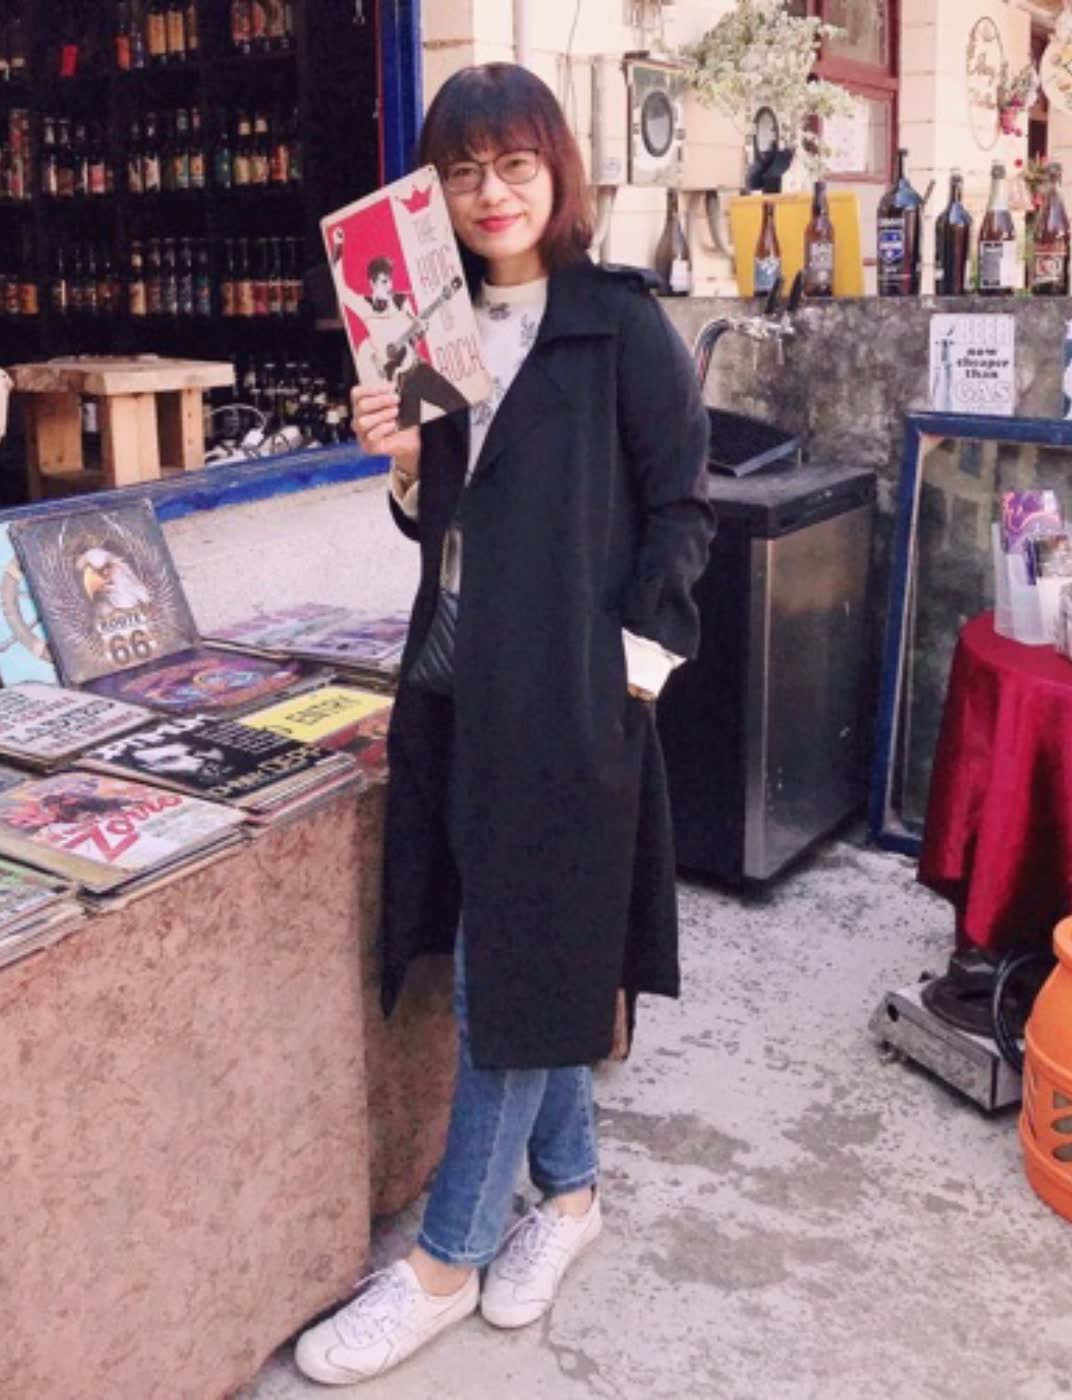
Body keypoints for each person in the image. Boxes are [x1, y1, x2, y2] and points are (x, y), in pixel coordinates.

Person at [294, 63, 713, 1387]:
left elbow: (682, 509)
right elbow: (445, 526)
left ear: (556, 170)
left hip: (571, 699)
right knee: (533, 948)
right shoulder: (429, 327)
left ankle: (446, 1258)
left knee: (501, 975)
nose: (491, 193)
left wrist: (632, 671)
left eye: (515, 164)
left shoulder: (616, 323)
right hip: (458, 684)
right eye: (463, 170)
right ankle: (571, 1195)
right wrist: (404, 466)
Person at [330, 229, 470, 428]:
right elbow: (340, 286)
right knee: (406, 434)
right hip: (397, 383)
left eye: (390, 280)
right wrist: (338, 246)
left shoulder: (401, 301)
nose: (389, 285)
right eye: (383, 281)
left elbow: (415, 337)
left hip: (416, 370)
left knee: (460, 406)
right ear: (372, 283)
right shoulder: (364, 306)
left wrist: (421, 330)